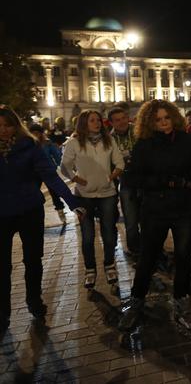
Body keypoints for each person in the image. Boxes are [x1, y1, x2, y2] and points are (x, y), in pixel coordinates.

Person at [118, 100, 191, 333]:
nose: (164, 123)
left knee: (183, 257)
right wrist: (163, 181)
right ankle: (136, 302)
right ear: (149, 122)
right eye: (158, 119)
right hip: (154, 208)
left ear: (174, 117)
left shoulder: (184, 140)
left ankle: (182, 305)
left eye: (167, 118)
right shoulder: (144, 145)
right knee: (148, 257)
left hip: (183, 208)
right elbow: (132, 179)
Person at [0, 105, 84, 332]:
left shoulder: (30, 147)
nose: (4, 130)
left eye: (8, 125)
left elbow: (51, 176)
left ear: (16, 126)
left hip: (29, 210)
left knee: (33, 260)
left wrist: (73, 202)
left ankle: (34, 301)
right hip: (2, 215)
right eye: (0, 126)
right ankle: (3, 312)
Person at [61, 110, 124, 289]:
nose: (97, 123)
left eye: (98, 120)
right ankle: (90, 269)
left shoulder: (108, 140)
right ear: (83, 123)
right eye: (92, 121)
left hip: (107, 194)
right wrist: (76, 179)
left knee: (109, 233)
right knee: (88, 236)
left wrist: (110, 177)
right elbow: (64, 166)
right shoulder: (74, 142)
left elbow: (120, 163)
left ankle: (109, 265)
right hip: (84, 196)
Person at [108, 106, 140, 258]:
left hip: (144, 180)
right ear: (111, 123)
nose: (121, 122)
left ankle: (150, 247)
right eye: (117, 120)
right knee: (131, 218)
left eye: (123, 118)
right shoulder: (109, 139)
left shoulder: (138, 131)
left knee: (148, 217)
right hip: (126, 182)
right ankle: (134, 249)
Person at [29, 124, 67, 224]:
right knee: (33, 193)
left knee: (54, 192)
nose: (35, 135)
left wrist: (60, 166)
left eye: (37, 133)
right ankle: (33, 216)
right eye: (33, 133)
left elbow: (57, 155)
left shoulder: (47, 143)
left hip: (47, 171)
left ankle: (60, 211)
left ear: (41, 134)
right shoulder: (28, 144)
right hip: (35, 172)